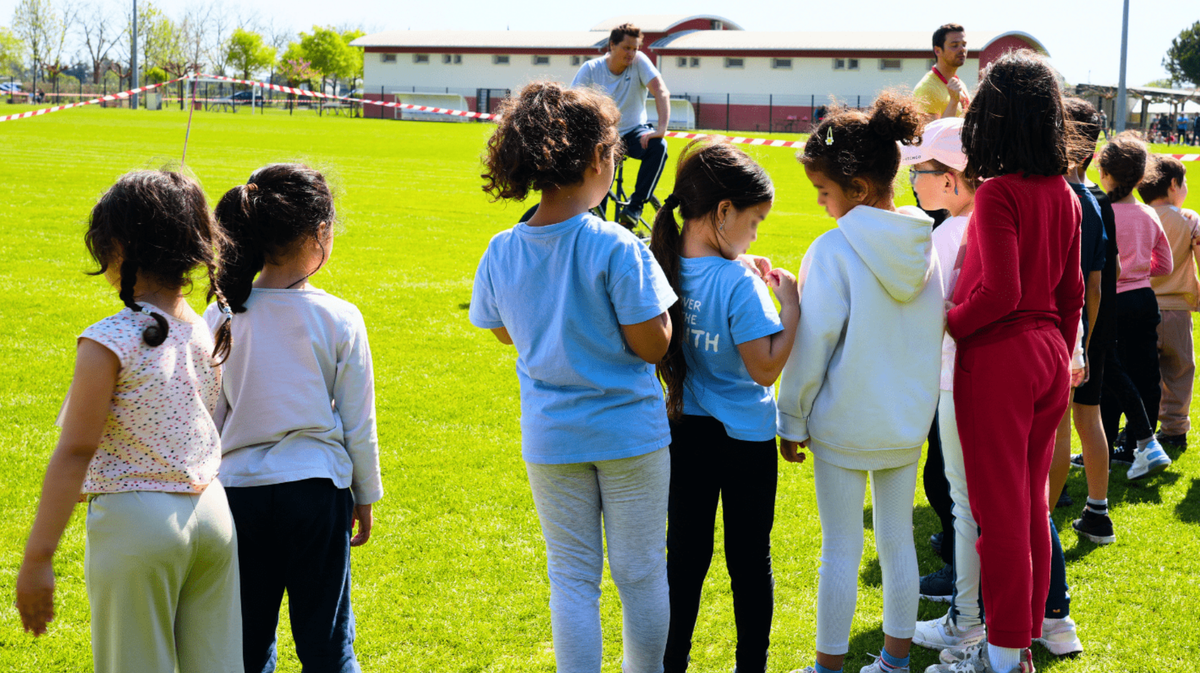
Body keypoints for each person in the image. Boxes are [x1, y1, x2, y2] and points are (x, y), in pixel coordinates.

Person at [470, 81, 675, 673]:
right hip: (628, 436)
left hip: (552, 437)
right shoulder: (616, 246)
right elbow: (651, 346)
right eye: (615, 153)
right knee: (640, 574)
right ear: (595, 159)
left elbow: (504, 330)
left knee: (572, 577)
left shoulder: (501, 249)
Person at [15, 170, 242, 673]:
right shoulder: (206, 331)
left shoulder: (108, 338)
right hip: (212, 515)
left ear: (117, 247)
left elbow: (76, 449)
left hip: (139, 524)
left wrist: (37, 558)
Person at [927, 50, 1084, 673]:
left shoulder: (996, 194)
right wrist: (1059, 354)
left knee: (999, 519)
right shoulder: (1065, 194)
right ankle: (1020, 641)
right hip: (1049, 353)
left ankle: (999, 653)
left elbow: (1001, 293)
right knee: (1031, 510)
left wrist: (947, 323)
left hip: (1000, 359)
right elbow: (1070, 292)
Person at [778, 93, 943, 673]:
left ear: (860, 188)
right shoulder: (927, 246)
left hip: (844, 423)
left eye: (824, 193)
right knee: (898, 541)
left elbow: (813, 345)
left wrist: (790, 418)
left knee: (841, 549)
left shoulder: (832, 249)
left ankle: (828, 666)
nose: (822, 206)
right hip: (905, 423)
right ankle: (895, 662)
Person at [208, 164, 383, 673]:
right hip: (316, 493)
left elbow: (208, 419)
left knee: (245, 644)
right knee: (327, 645)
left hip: (239, 495)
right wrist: (366, 495)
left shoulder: (222, 313)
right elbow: (358, 423)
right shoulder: (339, 317)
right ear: (319, 233)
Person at [648, 140, 798, 673]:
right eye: (755, 221)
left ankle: (671, 663)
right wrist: (793, 306)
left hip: (684, 430)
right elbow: (765, 367)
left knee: (683, 561)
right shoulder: (738, 284)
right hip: (745, 441)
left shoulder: (658, 265)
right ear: (723, 211)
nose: (757, 234)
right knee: (749, 563)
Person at [901, 118, 984, 651]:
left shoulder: (950, 232)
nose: (913, 181)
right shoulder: (990, 222)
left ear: (952, 178)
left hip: (958, 380)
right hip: (995, 378)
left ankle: (969, 616)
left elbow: (927, 315)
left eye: (921, 171)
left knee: (964, 501)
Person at [1096, 132, 1174, 481]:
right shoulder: (1148, 213)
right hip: (1145, 301)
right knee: (1145, 373)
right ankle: (1138, 444)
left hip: (1112, 301)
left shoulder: (1100, 212)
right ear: (1142, 177)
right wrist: (1140, 271)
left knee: (1111, 373)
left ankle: (1109, 444)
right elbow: (1165, 265)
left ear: (1105, 173)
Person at [1062, 99, 1120, 549]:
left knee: (1063, 422)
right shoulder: (1097, 202)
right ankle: (1098, 512)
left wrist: (1080, 340)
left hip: (1073, 330)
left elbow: (1093, 285)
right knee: (1089, 415)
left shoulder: (1074, 202)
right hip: (1090, 330)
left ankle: (1046, 508)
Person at [572, 22, 671, 228]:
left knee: (659, 147)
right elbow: (572, 104)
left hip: (634, 132)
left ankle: (635, 208)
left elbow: (661, 91)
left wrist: (661, 130)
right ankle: (594, 222)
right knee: (596, 176)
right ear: (612, 45)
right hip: (603, 136)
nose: (631, 53)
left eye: (635, 49)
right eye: (627, 48)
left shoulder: (640, 62)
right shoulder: (591, 69)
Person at [1142, 155, 1199, 452]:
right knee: (1179, 370)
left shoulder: (1138, 215)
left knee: (1140, 371)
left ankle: (1138, 428)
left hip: (1139, 306)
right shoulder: (1188, 220)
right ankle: (1175, 430)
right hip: (1177, 309)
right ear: (1174, 184)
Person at [913, 24, 970, 121]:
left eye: (964, 45)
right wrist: (953, 102)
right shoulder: (926, 89)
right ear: (938, 51)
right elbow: (931, 134)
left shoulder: (960, 84)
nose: (962, 49)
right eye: (955, 45)